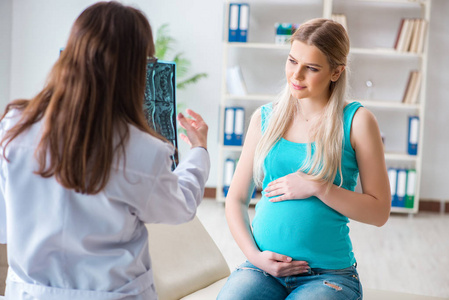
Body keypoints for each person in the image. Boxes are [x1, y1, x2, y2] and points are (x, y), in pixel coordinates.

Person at [0, 2, 209, 300]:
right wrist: (199, 150)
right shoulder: (144, 151)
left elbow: (5, 225)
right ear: (137, 70)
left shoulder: (13, 128)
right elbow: (181, 207)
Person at [218, 18, 391, 300]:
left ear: (336, 72)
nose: (296, 76)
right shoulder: (265, 119)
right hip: (262, 269)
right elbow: (236, 199)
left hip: (328, 276)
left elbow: (379, 212)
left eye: (311, 68)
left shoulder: (358, 122)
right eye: (292, 61)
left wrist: (318, 187)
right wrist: (256, 257)